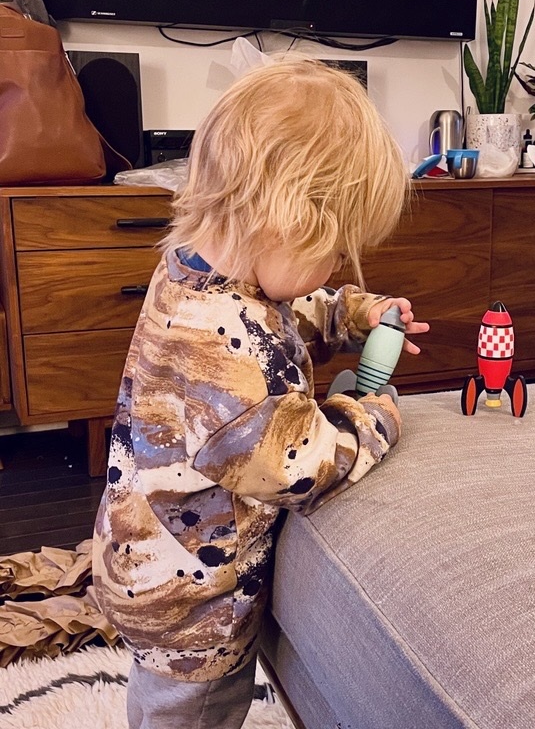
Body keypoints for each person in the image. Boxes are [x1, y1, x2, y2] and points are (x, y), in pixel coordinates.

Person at [92, 58, 429, 729]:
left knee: (163, 708)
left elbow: (281, 320)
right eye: (337, 253)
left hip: (148, 564)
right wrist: (373, 419)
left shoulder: (200, 281)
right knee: (195, 715)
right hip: (193, 611)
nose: (338, 268)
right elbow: (297, 466)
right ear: (287, 219)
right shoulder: (224, 359)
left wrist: (352, 312)